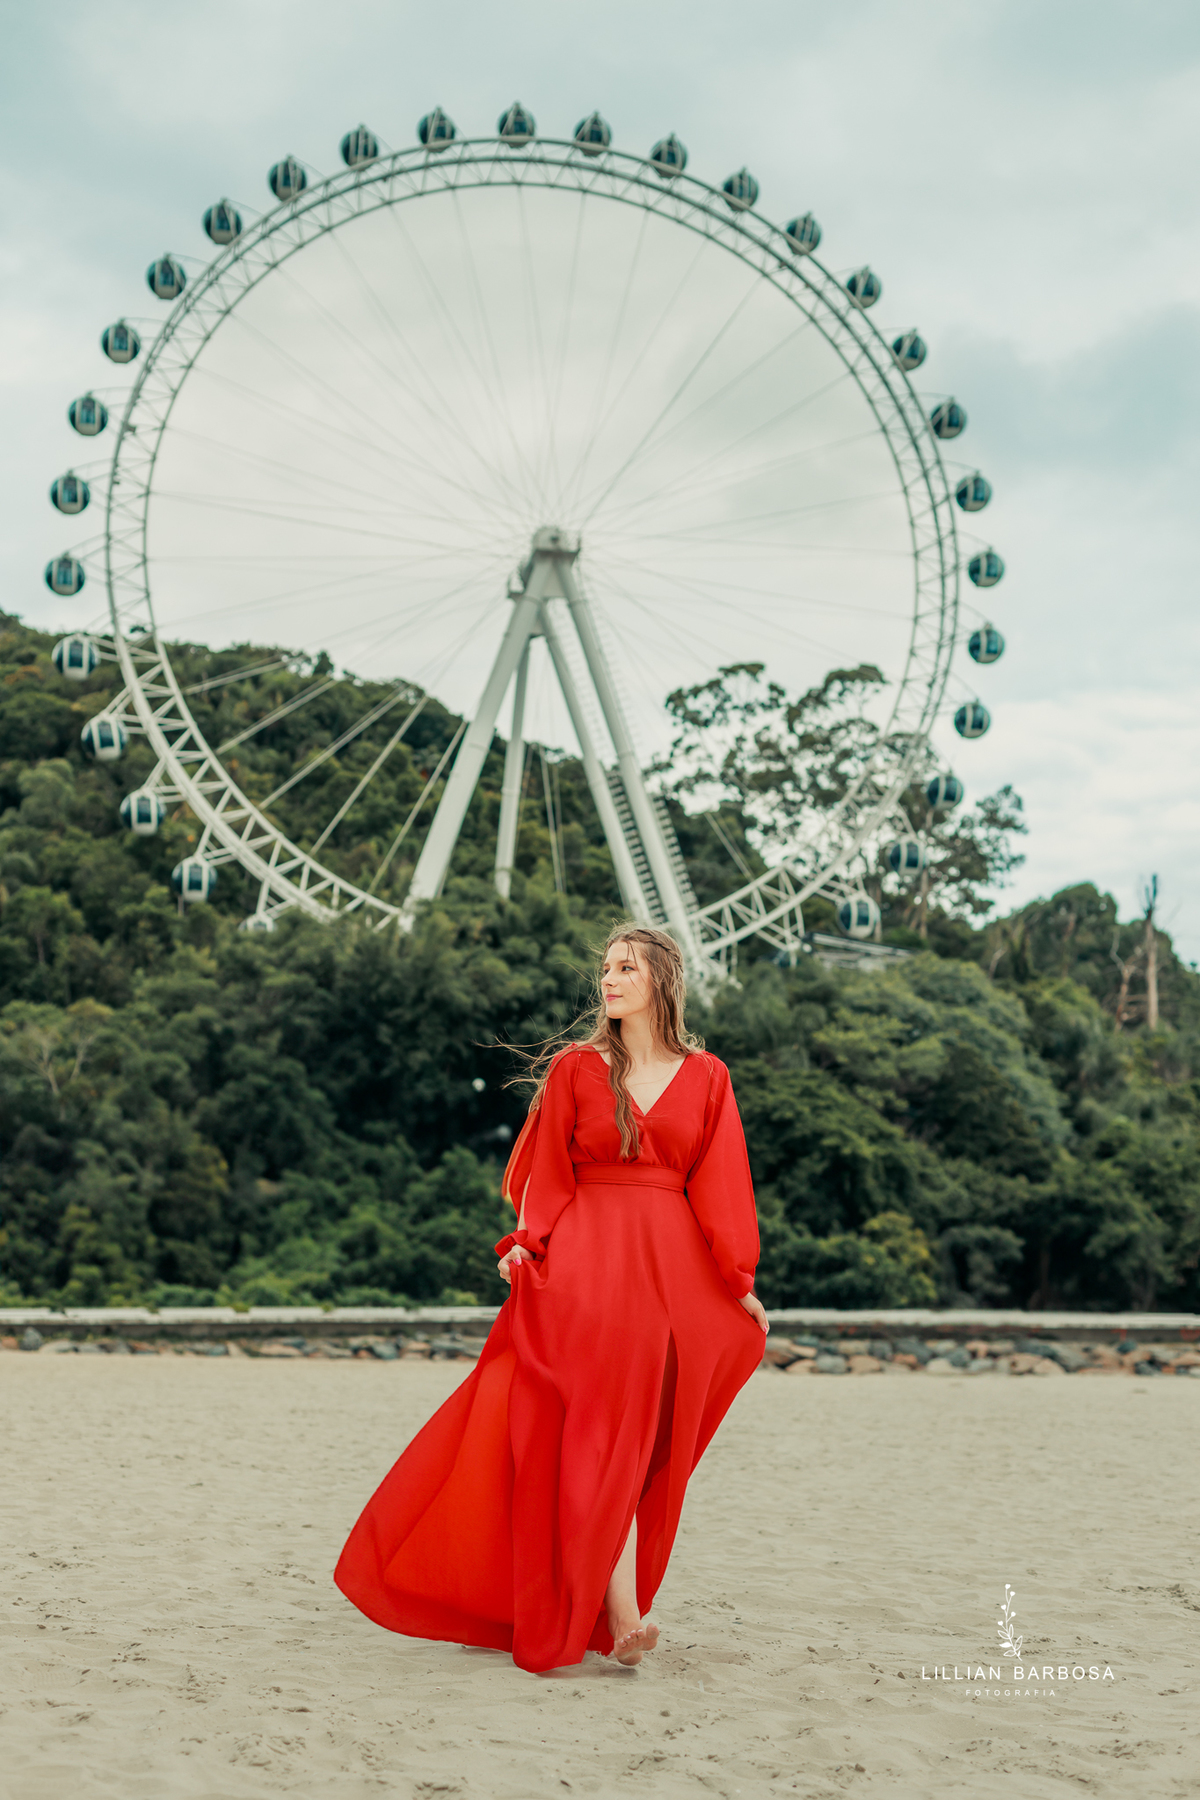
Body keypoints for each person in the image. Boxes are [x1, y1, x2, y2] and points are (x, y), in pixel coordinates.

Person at [334, 923, 768, 1674]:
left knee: (629, 1444)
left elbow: (722, 1188)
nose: (609, 978)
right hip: (585, 1271)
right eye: (605, 968)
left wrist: (739, 1285)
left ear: (661, 979)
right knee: (593, 1435)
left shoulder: (709, 1076)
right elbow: (547, 1174)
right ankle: (625, 1615)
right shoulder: (575, 1068)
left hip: (668, 1275)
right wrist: (528, 1245)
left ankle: (613, 1607)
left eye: (626, 967)